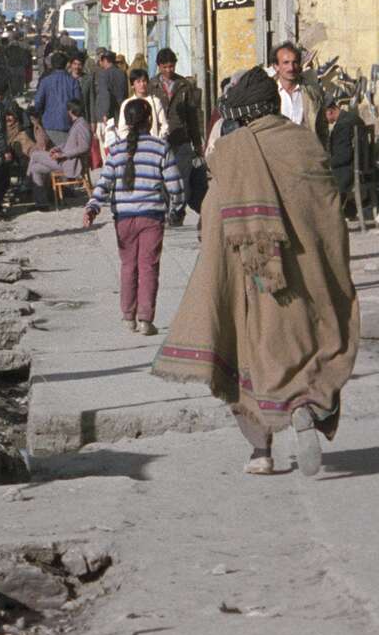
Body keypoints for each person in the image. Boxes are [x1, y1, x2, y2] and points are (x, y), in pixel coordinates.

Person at [153, 68, 357, 478]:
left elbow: (213, 214)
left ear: (242, 113)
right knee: (305, 346)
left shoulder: (231, 152)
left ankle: (260, 451)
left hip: (251, 275)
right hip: (304, 274)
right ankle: (302, 405)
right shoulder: (304, 143)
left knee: (246, 358)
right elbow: (327, 209)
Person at [84, 99, 182, 335]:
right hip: (152, 217)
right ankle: (145, 320)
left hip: (124, 218)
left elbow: (104, 183)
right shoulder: (161, 148)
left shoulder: (116, 151)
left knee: (129, 266)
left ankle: (128, 316)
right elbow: (175, 186)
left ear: (126, 122)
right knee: (148, 267)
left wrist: (92, 207)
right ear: (150, 120)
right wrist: (176, 209)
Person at [151, 48, 206, 221]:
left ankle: (178, 212)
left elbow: (193, 116)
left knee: (182, 178)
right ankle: (166, 208)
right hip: (159, 140)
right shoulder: (151, 86)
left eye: (171, 66)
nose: (169, 70)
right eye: (165, 67)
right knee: (162, 178)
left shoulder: (184, 86)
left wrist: (197, 142)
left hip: (182, 139)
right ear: (159, 66)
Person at [26, 102, 91, 211]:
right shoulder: (77, 124)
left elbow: (84, 147)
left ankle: (27, 183)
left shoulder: (81, 125)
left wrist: (63, 155)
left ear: (70, 111)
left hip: (69, 163)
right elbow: (69, 144)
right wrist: (58, 148)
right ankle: (42, 203)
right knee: (35, 168)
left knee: (35, 155)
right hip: (64, 160)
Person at [105, 66, 169, 151]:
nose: (142, 84)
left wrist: (158, 140)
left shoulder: (155, 101)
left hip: (153, 146)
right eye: (138, 82)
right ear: (132, 85)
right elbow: (123, 129)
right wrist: (131, 142)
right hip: (133, 147)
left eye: (144, 81)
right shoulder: (127, 104)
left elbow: (164, 125)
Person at [33, 52, 81, 146]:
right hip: (68, 124)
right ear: (66, 65)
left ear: (52, 64)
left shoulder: (45, 81)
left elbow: (38, 102)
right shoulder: (73, 82)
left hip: (49, 124)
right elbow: (77, 104)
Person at [271, 42, 319, 129]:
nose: (291, 68)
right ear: (276, 66)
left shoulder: (311, 92)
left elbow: (321, 126)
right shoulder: (269, 93)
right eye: (286, 63)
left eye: (295, 62)